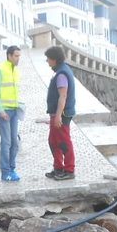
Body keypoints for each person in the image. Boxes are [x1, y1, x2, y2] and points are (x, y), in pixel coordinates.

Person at [44, 45, 76, 180]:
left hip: (62, 115)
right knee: (53, 141)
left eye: (48, 59)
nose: (47, 61)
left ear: (54, 59)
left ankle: (69, 170)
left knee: (63, 142)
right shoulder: (62, 71)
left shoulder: (62, 74)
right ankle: (58, 168)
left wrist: (58, 116)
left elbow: (63, 96)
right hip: (57, 114)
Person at [0, 46, 22, 182]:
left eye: (19, 56)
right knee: (6, 142)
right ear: (9, 55)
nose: (18, 59)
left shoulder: (15, 70)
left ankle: (11, 168)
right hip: (3, 111)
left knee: (15, 142)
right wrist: (1, 110)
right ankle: (5, 172)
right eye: (16, 56)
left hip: (15, 110)